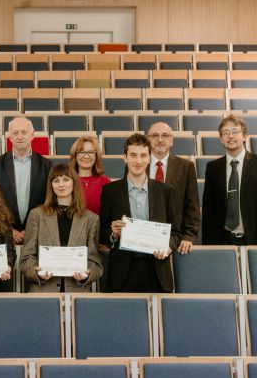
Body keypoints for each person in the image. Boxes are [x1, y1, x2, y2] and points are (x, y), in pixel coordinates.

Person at [99, 133, 180, 293]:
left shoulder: (166, 191)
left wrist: (168, 247)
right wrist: (113, 234)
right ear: (125, 158)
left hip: (157, 270)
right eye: (133, 155)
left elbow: (176, 233)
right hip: (123, 272)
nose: (138, 161)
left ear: (149, 158)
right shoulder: (110, 191)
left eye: (143, 156)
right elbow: (101, 232)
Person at [20, 163, 102, 292]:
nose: (61, 184)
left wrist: (87, 274)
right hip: (43, 292)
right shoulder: (36, 215)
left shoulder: (91, 219)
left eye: (66, 179)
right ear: (51, 185)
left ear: (74, 183)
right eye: (56, 180)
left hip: (77, 293)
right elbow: (26, 258)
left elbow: (95, 263)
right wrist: (36, 272)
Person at [0, 116, 52, 246]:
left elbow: (48, 200)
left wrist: (30, 229)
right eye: (15, 133)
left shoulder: (46, 165)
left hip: (36, 236)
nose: (20, 136)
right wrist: (8, 230)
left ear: (32, 135)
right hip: (4, 236)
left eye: (24, 132)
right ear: (10, 137)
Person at [203, 115, 257, 245]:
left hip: (254, 239)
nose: (230, 136)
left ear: (244, 136)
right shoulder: (212, 168)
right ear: (221, 139)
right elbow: (208, 209)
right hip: (222, 240)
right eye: (225, 133)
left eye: (235, 132)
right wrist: (207, 244)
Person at [147, 122, 200, 253]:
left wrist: (189, 236)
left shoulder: (186, 167)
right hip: (145, 236)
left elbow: (192, 205)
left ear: (171, 141)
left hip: (176, 239)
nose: (160, 140)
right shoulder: (138, 164)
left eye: (164, 135)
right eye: (155, 136)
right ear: (148, 140)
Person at [69, 135, 111, 215]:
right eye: (81, 152)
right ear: (75, 155)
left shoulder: (105, 181)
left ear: (96, 156)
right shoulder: (68, 180)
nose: (86, 156)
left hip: (99, 226)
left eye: (91, 152)